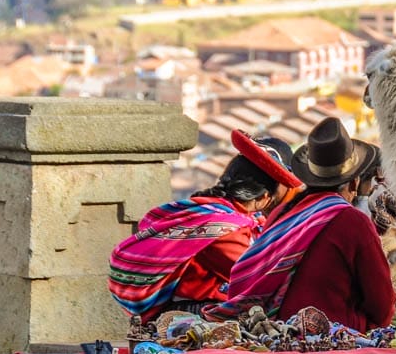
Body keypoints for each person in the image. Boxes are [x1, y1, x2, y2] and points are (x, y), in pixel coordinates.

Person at [204, 117, 396, 332]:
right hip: (335, 337)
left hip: (277, 334)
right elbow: (382, 307)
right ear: (354, 182)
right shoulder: (353, 221)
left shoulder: (281, 215)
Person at [109, 131, 300, 324]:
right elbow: (253, 275)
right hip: (197, 315)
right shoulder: (227, 229)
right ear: (264, 196)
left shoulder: (207, 211)